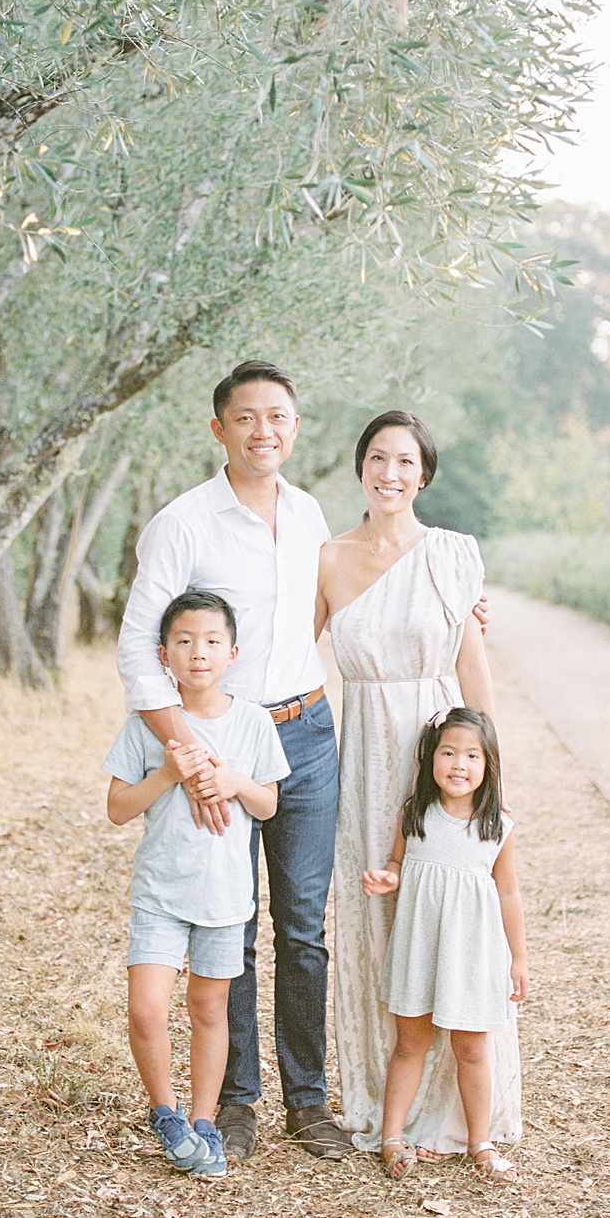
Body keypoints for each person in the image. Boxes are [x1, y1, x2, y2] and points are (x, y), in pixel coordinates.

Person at [115, 360, 350, 1162]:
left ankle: (309, 1101)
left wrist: (461, 605)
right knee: (231, 918)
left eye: (277, 416)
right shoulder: (185, 521)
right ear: (219, 429)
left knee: (303, 921)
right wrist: (189, 748)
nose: (263, 430)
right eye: (245, 417)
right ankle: (238, 1102)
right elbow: (138, 650)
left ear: (295, 423)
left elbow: (332, 600)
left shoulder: (311, 512)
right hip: (221, 742)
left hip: (308, 731)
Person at [315, 410, 520, 1155]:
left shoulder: (454, 555)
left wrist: (488, 766)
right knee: (378, 916)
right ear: (360, 466)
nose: (389, 472)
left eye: (405, 460)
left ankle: (463, 1116)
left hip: (443, 743)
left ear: (424, 474)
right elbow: (291, 654)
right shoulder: (329, 557)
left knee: (457, 904)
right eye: (377, 456)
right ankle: (384, 1104)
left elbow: (472, 666)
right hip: (368, 749)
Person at [103, 590, 289, 1179]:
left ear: (233, 652)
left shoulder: (254, 722)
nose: (198, 652)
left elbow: (269, 806)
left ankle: (205, 1123)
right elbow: (116, 808)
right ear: (163, 655)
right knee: (147, 1011)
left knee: (211, 1011)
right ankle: (166, 1114)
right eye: (183, 641)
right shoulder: (145, 727)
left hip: (225, 897)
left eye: (211, 641)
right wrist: (168, 773)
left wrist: (233, 780)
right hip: (160, 893)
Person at [363, 707, 528, 1181]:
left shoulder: (497, 825)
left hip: (474, 955)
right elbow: (397, 863)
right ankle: (392, 1136)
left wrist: (518, 957)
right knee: (409, 1044)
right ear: (431, 758)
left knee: (473, 1049)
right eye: (449, 752)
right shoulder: (415, 814)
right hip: (420, 949)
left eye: (471, 755)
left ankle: (481, 1142)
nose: (459, 764)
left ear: (487, 765)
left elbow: (509, 893)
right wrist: (385, 878)